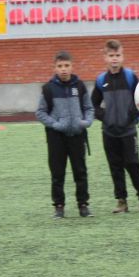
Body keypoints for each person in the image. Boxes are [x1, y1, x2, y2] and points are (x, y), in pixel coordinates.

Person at [89, 39, 139, 214]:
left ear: (122, 56)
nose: (114, 59)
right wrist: (105, 117)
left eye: (117, 55)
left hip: (128, 131)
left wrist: (132, 116)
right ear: (105, 57)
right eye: (111, 55)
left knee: (133, 164)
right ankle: (121, 201)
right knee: (115, 166)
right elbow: (93, 105)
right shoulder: (101, 80)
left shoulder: (130, 77)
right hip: (109, 132)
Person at [36, 50, 93, 218]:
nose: (63, 69)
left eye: (66, 66)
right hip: (56, 138)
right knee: (57, 172)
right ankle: (59, 206)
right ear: (54, 68)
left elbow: (89, 108)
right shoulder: (48, 89)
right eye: (60, 66)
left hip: (77, 136)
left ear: (72, 66)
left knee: (80, 171)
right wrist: (55, 124)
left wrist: (85, 122)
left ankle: (83, 205)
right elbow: (40, 112)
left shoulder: (80, 86)